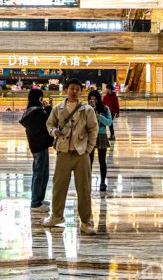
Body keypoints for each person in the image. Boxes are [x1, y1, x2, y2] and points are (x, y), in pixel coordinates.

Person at [43, 79, 99, 233]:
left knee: (84, 188)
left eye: (77, 89)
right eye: (71, 88)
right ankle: (56, 215)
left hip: (81, 153)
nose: (74, 91)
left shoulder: (87, 110)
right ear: (66, 90)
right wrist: (54, 132)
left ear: (81, 92)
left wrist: (88, 149)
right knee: (59, 186)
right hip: (63, 152)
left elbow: (93, 130)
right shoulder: (57, 109)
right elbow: (49, 124)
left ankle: (86, 221)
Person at [19, 88, 53, 212]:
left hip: (37, 145)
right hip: (40, 145)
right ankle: (35, 203)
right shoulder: (37, 112)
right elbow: (51, 120)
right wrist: (48, 108)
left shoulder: (30, 111)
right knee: (40, 174)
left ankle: (39, 199)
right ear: (39, 98)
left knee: (42, 173)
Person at [87, 89, 112, 193]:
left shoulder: (105, 109)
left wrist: (99, 116)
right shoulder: (86, 109)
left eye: (95, 100)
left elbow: (109, 122)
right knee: (89, 161)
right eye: (91, 100)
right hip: (90, 136)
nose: (93, 102)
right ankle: (88, 181)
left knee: (102, 160)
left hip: (101, 135)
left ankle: (102, 181)